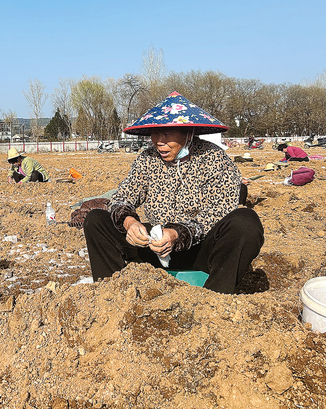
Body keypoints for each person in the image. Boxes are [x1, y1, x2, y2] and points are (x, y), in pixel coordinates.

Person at [83, 91, 264, 294]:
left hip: (199, 247)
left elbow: (218, 212)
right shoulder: (148, 159)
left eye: (167, 134)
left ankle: (215, 297)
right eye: (155, 134)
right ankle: (111, 294)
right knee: (96, 220)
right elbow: (122, 197)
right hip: (155, 247)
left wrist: (177, 234)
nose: (159, 141)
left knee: (246, 222)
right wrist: (129, 222)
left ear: (188, 133)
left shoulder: (213, 158)